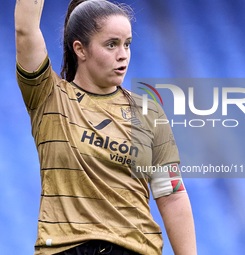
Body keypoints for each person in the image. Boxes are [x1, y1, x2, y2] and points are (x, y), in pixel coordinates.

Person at [14, 0, 197, 254]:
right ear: (80, 49)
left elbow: (172, 195)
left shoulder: (148, 113)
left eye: (127, 44)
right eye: (111, 44)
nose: (122, 54)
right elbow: (25, 28)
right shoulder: (49, 96)